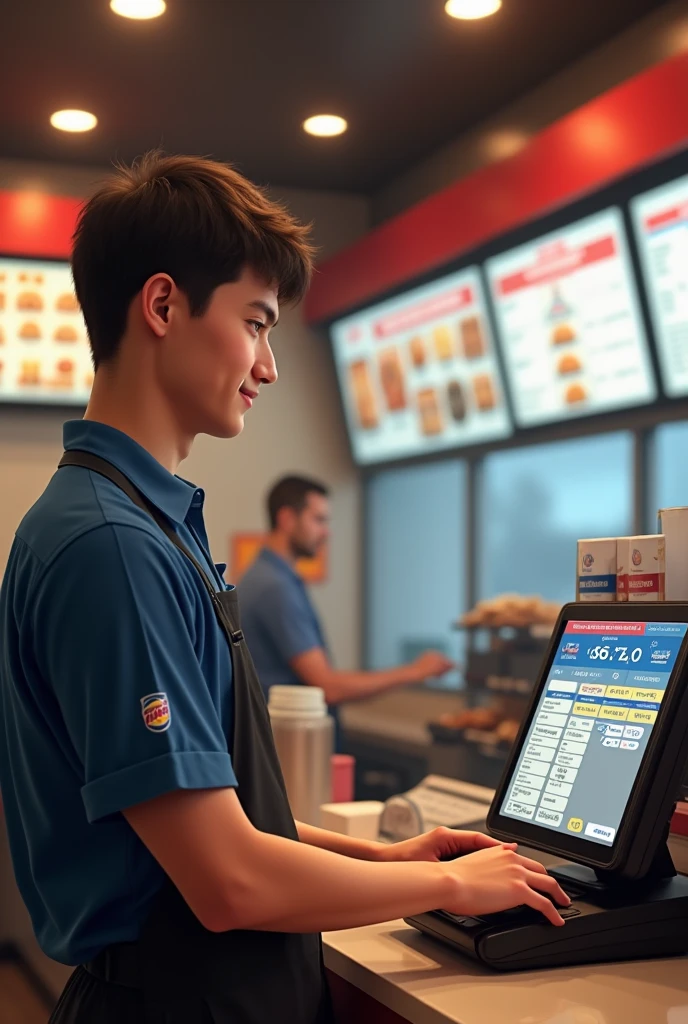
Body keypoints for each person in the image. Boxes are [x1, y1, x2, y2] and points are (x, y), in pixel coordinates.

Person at [0, 152, 569, 1024]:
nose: (267, 365)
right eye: (257, 324)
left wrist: (393, 859)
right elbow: (227, 880)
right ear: (162, 306)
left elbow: (208, 820)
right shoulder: (112, 545)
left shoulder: (139, 524)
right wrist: (451, 881)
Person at [240, 475, 455, 712]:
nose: (326, 532)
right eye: (319, 520)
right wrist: (416, 671)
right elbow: (328, 686)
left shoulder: (264, 575)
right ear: (287, 519)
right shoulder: (275, 587)